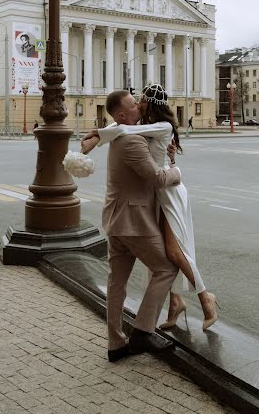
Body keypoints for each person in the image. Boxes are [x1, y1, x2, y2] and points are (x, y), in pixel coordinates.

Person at [82, 84, 218, 335]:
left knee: (175, 253)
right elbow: (121, 127)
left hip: (169, 192)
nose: (138, 104)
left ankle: (204, 298)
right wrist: (95, 136)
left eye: (141, 101)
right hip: (155, 194)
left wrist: (97, 135)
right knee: (167, 255)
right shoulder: (138, 126)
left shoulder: (159, 127)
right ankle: (175, 303)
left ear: (151, 104)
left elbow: (123, 128)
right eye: (135, 102)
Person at [83, 89, 182, 363]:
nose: (139, 106)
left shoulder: (122, 136)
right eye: (133, 105)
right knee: (166, 268)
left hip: (116, 219)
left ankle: (116, 343)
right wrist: (177, 172)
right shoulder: (132, 142)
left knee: (117, 282)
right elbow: (158, 179)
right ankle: (142, 331)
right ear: (122, 115)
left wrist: (169, 156)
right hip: (134, 221)